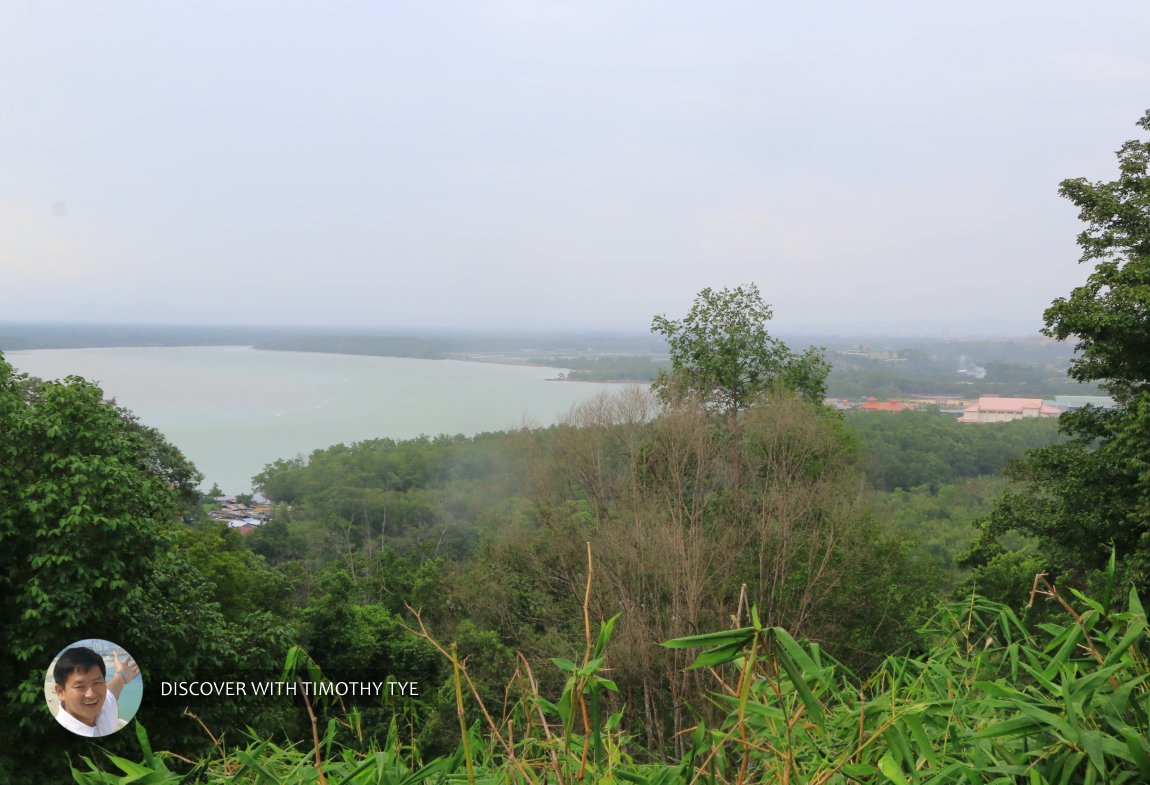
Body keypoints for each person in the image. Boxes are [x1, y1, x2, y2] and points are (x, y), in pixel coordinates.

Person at [52, 646, 139, 737]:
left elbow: (113, 688)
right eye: (80, 686)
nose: (91, 694)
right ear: (60, 692)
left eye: (96, 683)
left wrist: (122, 675)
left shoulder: (104, 705)